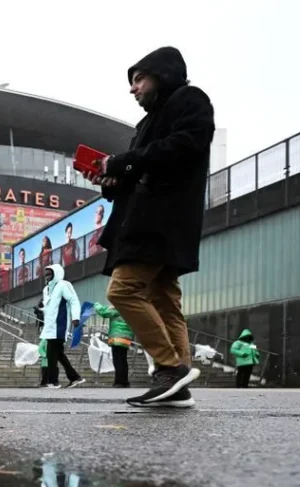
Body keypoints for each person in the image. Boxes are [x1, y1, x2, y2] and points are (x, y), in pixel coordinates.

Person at [87, 46, 215, 408]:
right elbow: (144, 167)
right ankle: (178, 385)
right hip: (156, 219)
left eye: (139, 78)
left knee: (123, 291)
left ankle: (169, 368)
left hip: (158, 220)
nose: (133, 88)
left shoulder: (189, 100)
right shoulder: (148, 123)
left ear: (163, 74)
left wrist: (122, 163)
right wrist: (113, 179)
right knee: (163, 298)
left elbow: (183, 147)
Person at [39, 264, 84, 389]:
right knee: (58, 354)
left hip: (60, 325)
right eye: (46, 274)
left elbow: (73, 300)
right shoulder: (46, 289)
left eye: (49, 274)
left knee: (51, 354)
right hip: (49, 326)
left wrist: (76, 317)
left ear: (56, 274)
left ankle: (53, 381)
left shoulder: (63, 285)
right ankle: (75, 377)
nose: (47, 276)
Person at [94, 302, 135, 387]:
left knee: (117, 360)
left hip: (117, 337)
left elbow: (103, 313)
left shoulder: (118, 307)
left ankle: (119, 382)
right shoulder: (129, 306)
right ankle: (125, 381)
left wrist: (96, 304)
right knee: (123, 359)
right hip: (127, 336)